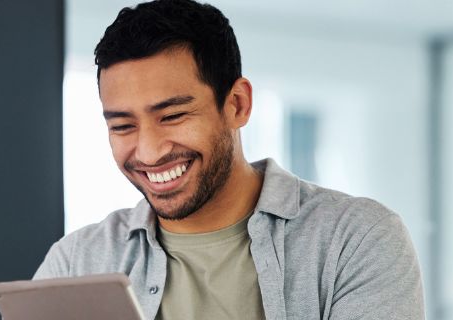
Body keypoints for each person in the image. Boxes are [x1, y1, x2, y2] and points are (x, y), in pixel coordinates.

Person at [34, 0, 425, 319]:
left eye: (172, 116)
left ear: (237, 104)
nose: (149, 151)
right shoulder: (76, 263)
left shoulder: (355, 240)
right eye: (122, 126)